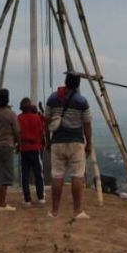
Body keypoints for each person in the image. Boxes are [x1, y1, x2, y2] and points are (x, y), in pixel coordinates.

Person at [45, 72, 92, 220]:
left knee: (57, 175)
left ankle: (54, 211)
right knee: (77, 175)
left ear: (65, 81)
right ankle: (77, 211)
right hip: (75, 142)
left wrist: (47, 140)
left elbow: (46, 121)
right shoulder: (82, 101)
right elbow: (86, 124)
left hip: (57, 141)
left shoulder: (53, 98)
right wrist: (89, 143)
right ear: (78, 84)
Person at [17, 96, 46, 204]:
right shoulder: (36, 118)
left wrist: (18, 145)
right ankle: (41, 197)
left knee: (25, 174)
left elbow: (18, 133)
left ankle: (27, 199)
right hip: (35, 148)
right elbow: (41, 131)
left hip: (24, 148)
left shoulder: (19, 118)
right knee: (38, 173)